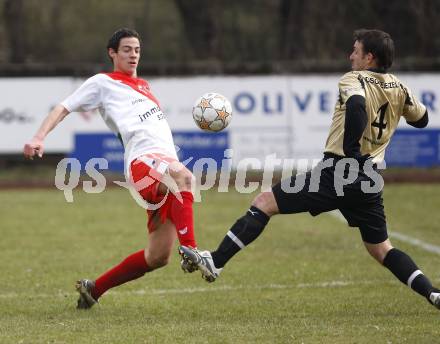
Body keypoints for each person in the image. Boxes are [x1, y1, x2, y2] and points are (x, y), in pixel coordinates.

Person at [179, 29, 440, 309]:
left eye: (355, 50)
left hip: (339, 169)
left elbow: (355, 106)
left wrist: (351, 150)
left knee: (265, 202)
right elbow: (422, 119)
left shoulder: (353, 79)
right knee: (381, 248)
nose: (350, 55)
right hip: (369, 177)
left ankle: (215, 262)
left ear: (369, 58)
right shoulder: (400, 87)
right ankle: (432, 292)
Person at [23, 28, 199, 309]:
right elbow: (63, 108)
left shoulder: (144, 86)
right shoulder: (103, 83)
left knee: (157, 256)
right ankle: (190, 247)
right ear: (112, 53)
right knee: (184, 177)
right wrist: (39, 136)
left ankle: (95, 288)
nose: (133, 55)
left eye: (137, 50)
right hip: (143, 162)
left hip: (163, 161)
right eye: (127, 49)